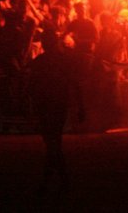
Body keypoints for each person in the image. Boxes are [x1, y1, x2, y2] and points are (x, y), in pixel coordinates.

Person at [28, 26, 85, 195]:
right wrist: (81, 106)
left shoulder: (41, 62)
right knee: (54, 143)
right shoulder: (62, 60)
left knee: (52, 143)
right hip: (56, 105)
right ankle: (60, 181)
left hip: (48, 105)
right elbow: (75, 84)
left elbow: (32, 87)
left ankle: (53, 182)